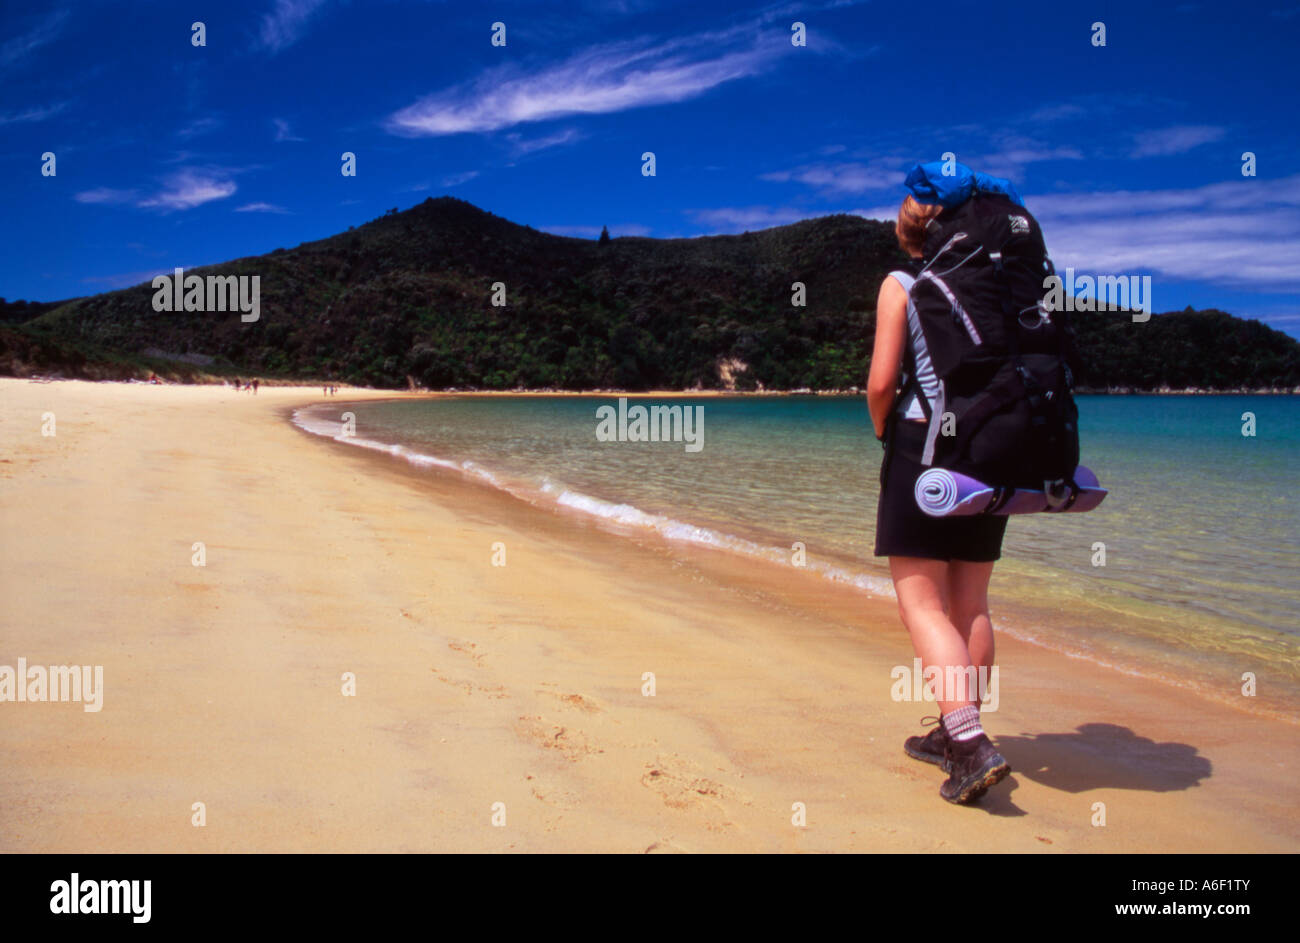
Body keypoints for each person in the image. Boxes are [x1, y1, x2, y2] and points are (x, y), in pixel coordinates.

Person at [866, 193, 1012, 805]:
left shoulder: (902, 282)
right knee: (971, 602)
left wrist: (882, 430)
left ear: (906, 234)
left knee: (922, 606)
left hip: (923, 448)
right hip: (995, 452)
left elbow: (880, 382)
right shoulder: (999, 284)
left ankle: (968, 742)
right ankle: (962, 733)